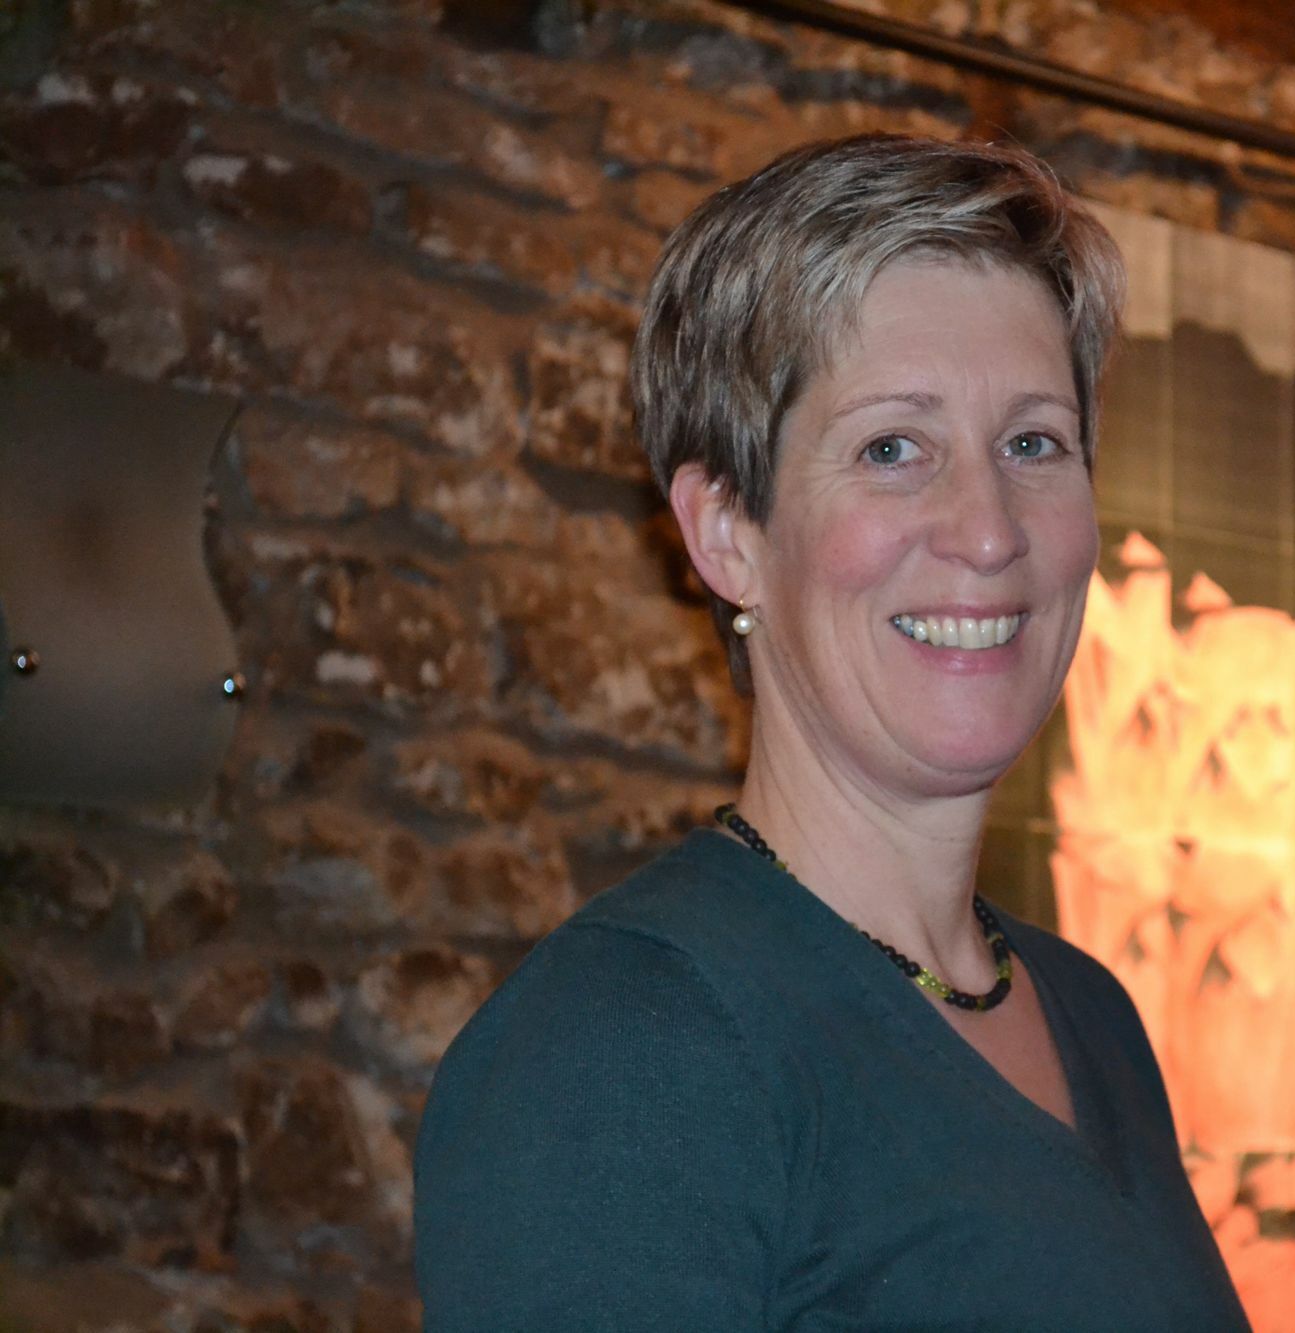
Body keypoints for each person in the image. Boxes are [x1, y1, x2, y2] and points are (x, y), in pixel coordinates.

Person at [413, 133, 1250, 1331]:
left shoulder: (1091, 1016)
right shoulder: (628, 1041)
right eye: (891, 448)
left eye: (1032, 443)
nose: (988, 530)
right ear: (727, 534)